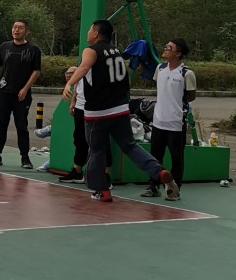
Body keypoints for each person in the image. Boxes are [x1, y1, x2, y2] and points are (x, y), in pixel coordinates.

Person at [63, 19, 179, 202]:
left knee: (96, 151)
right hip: (120, 109)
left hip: (98, 112)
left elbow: (84, 67)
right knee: (130, 146)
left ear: (96, 33)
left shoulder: (90, 50)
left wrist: (69, 83)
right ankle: (159, 171)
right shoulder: (116, 51)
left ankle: (101, 190)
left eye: (90, 29)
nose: (88, 32)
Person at [142, 38, 196, 198]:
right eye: (165, 46)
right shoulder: (160, 68)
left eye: (169, 48)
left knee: (176, 157)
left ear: (178, 53)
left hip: (176, 123)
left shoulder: (186, 73)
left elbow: (191, 96)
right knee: (155, 156)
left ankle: (175, 188)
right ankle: (153, 186)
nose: (165, 49)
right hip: (158, 121)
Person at [0, 19, 41, 169]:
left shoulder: (33, 50)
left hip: (21, 95)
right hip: (3, 92)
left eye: (20, 28)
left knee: (21, 126)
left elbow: (36, 71)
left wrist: (25, 89)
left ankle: (25, 158)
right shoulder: (4, 46)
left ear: (26, 31)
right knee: (1, 125)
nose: (16, 30)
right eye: (14, 27)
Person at [54, 65, 112, 184]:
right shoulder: (84, 61)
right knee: (79, 138)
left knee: (101, 140)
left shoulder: (102, 60)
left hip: (97, 107)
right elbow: (78, 80)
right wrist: (73, 101)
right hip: (80, 106)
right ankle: (77, 171)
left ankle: (105, 175)